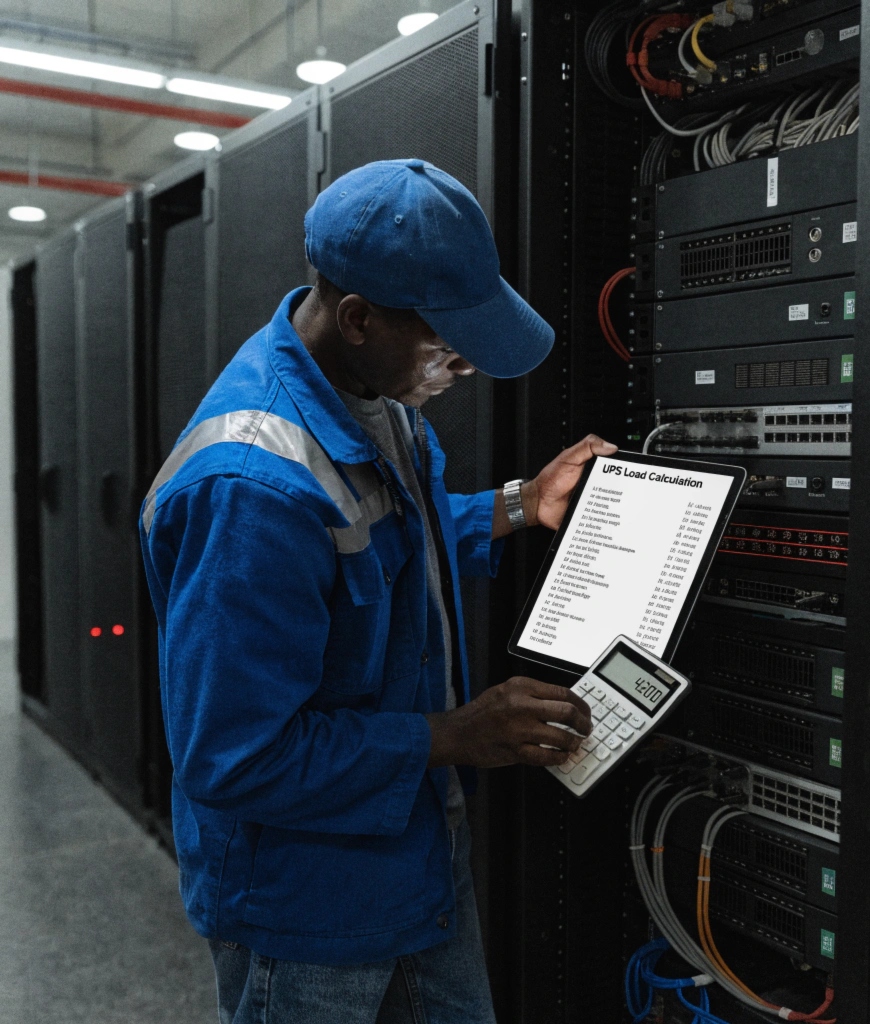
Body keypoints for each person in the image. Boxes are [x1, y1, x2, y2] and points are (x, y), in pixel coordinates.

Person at [139, 158, 617, 1024]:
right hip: (306, 910)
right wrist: (452, 736)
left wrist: (518, 504)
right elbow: (234, 755)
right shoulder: (252, 488)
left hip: (413, 861)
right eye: (446, 340)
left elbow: (395, 547)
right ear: (357, 318)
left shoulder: (372, 396)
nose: (464, 364)